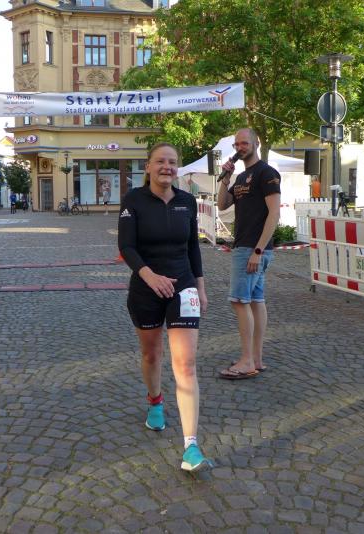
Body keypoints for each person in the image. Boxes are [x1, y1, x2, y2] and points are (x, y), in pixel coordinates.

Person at [118, 142, 213, 472]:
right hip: (145, 288)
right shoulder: (134, 200)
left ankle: (191, 446)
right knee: (152, 354)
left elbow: (193, 248)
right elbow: (126, 246)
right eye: (160, 161)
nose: (166, 167)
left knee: (185, 364)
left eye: (172, 162)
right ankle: (155, 401)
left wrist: (200, 287)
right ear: (148, 166)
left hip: (183, 287)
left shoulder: (187, 202)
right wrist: (150, 276)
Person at [216, 128, 281, 380]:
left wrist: (258, 250)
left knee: (239, 301)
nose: (240, 147)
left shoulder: (266, 173)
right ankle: (256, 358)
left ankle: (246, 361)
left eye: (244, 143)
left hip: (251, 249)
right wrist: (225, 178)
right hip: (245, 246)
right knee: (255, 301)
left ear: (256, 143)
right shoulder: (242, 176)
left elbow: (274, 213)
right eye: (237, 144)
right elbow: (222, 205)